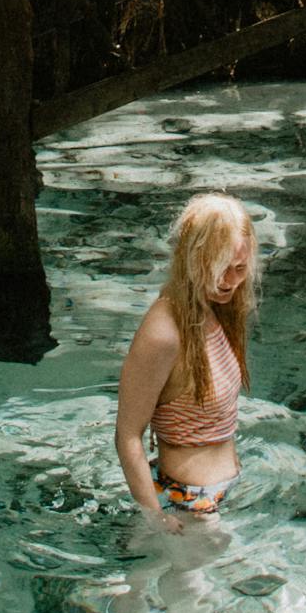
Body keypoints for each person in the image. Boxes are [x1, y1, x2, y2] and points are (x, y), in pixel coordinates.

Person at [115, 192, 256, 522]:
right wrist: (157, 521)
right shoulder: (164, 333)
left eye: (239, 268)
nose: (229, 282)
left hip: (222, 492)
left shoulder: (214, 306)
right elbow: (127, 436)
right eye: (219, 268)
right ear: (191, 259)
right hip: (188, 503)